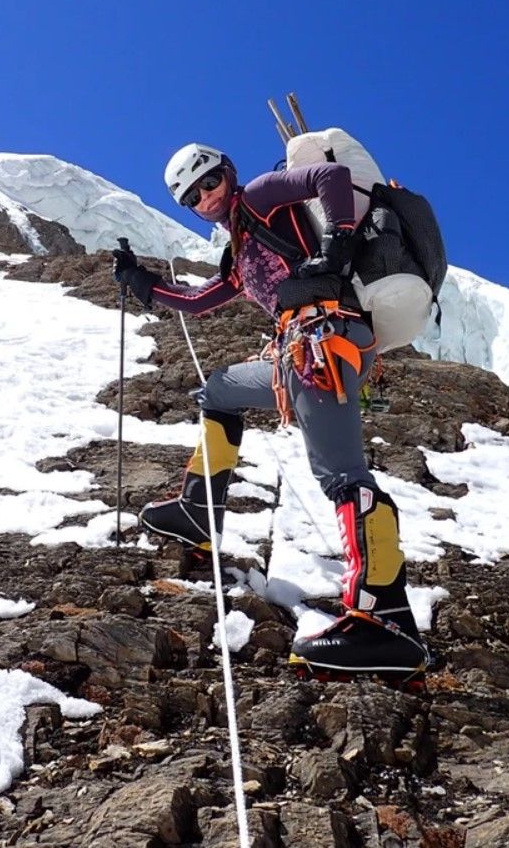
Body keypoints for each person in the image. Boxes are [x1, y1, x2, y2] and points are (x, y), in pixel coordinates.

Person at [112, 143, 429, 682]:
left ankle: (388, 623)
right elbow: (200, 300)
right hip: (296, 354)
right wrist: (142, 283)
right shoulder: (240, 249)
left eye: (209, 184)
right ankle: (197, 510)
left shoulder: (259, 196)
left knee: (343, 476)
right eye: (193, 197)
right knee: (220, 391)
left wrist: (336, 241)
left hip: (325, 341)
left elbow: (330, 175)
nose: (206, 199)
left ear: (228, 175)